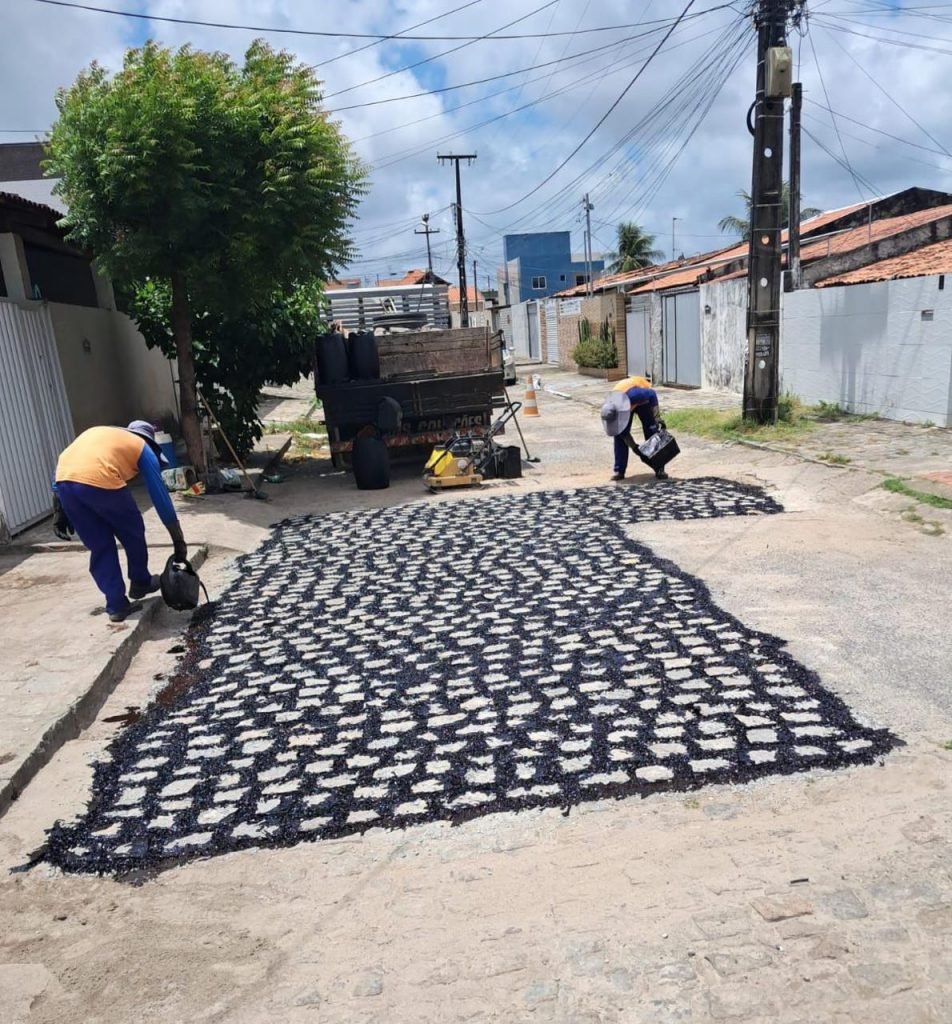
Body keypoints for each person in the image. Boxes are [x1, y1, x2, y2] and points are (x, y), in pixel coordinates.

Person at [52, 421, 189, 622]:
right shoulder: (142, 447)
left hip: (64, 483)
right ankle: (140, 581)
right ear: (149, 440)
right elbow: (160, 497)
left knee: (100, 545)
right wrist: (178, 539)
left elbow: (67, 463)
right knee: (133, 530)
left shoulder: (102, 434)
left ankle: (116, 605)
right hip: (100, 478)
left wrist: (59, 509)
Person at [600, 378, 668, 481]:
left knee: (651, 432)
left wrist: (657, 417)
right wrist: (635, 448)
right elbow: (623, 433)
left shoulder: (635, 395)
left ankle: (659, 468)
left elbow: (652, 394)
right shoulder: (610, 406)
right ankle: (619, 471)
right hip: (625, 400)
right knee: (619, 435)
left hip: (644, 401)